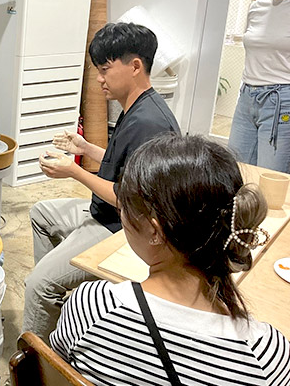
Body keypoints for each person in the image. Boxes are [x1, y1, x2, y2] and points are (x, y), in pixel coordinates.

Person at [51, 134, 290, 385]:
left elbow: (57, 371)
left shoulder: (91, 308)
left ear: (155, 231)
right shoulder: (266, 357)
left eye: (125, 207)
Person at [22, 22, 181, 342]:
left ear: (135, 66)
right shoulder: (138, 106)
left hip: (121, 226)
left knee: (36, 285)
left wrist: (75, 171)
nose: (99, 78)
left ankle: (36, 363)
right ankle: (65, 295)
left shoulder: (150, 124)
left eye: (105, 69)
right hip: (106, 211)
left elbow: (128, 200)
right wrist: (85, 148)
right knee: (42, 212)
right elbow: (127, 162)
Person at [229, 0, 290, 173]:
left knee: (270, 176)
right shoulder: (257, 7)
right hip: (247, 96)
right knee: (237, 171)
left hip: (281, 99)